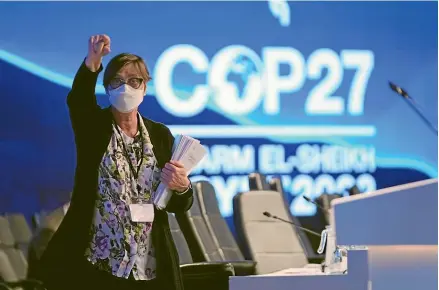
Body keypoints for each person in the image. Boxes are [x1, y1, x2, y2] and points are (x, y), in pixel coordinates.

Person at [36, 34, 193, 290]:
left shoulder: (161, 136)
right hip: (101, 263)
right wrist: (92, 62)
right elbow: (78, 100)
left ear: (145, 87)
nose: (125, 88)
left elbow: (180, 203)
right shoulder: (93, 127)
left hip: (149, 263)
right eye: (117, 82)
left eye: (134, 81)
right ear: (107, 88)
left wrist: (182, 186)